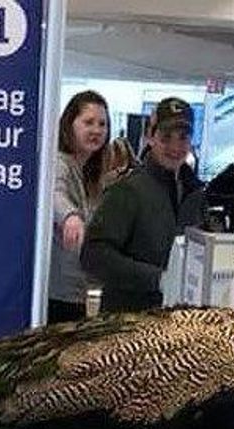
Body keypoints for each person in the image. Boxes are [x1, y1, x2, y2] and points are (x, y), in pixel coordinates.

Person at [82, 97, 206, 313]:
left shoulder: (194, 193)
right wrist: (157, 279)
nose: (175, 146)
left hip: (177, 324)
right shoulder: (128, 190)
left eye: (183, 137)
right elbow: (94, 254)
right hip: (127, 325)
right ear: (150, 136)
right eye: (166, 137)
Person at [49, 91, 110, 324]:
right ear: (69, 124)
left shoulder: (89, 174)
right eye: (88, 122)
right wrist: (70, 217)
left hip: (75, 289)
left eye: (102, 124)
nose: (96, 130)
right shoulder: (59, 163)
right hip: (57, 291)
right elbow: (55, 193)